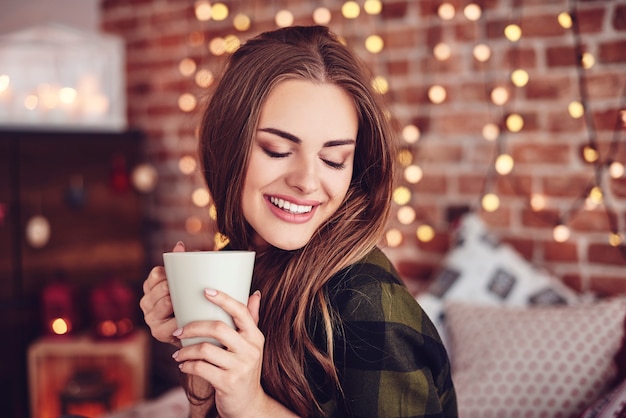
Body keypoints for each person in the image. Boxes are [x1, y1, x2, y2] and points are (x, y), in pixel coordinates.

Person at [140, 25, 457, 418]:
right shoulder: (239, 264)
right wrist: (203, 361)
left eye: (333, 159)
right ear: (227, 146)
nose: (307, 181)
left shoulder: (370, 302)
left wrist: (252, 404)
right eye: (277, 150)